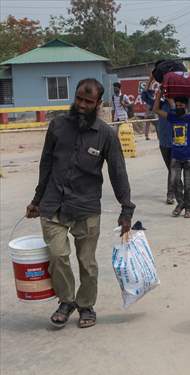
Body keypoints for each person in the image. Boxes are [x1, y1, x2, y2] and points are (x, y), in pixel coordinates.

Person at [25, 78, 135, 329]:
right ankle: (66, 301)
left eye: (88, 101)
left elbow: (118, 172)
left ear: (98, 103)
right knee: (57, 255)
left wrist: (126, 208)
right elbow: (45, 165)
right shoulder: (57, 126)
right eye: (79, 99)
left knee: (87, 262)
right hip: (53, 203)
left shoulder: (106, 134)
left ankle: (86, 305)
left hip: (86, 206)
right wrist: (36, 200)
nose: (82, 105)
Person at [153, 83, 190, 217]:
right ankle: (180, 204)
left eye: (181, 106)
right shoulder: (172, 117)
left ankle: (188, 208)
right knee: (175, 183)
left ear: (186, 107)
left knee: (188, 185)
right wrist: (160, 92)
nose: (178, 108)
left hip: (189, 157)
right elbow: (156, 109)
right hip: (175, 157)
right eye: (177, 106)